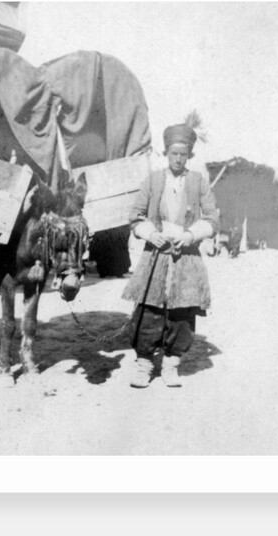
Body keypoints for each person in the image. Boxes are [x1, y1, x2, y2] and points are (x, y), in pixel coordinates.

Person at [121, 123, 220, 388]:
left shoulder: (199, 181)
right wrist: (150, 233)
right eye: (174, 153)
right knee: (148, 309)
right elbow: (136, 216)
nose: (178, 159)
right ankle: (143, 364)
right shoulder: (153, 180)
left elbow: (212, 218)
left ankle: (171, 364)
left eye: (183, 154)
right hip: (156, 255)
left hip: (186, 258)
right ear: (166, 153)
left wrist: (191, 235)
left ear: (189, 155)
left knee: (182, 312)